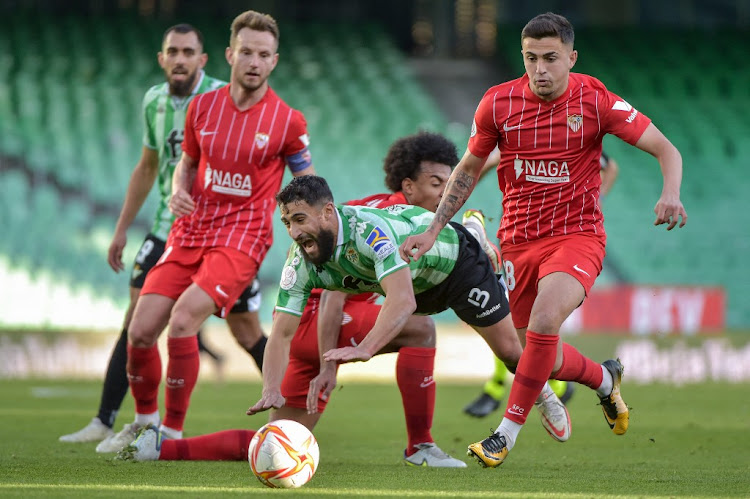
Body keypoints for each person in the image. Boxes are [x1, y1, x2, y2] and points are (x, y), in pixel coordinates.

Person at [118, 149, 569, 464]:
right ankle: (421, 447)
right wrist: (342, 358)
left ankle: (160, 448)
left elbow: (462, 201)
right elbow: (330, 296)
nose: (446, 194)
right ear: (410, 187)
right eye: (439, 185)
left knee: (281, 439)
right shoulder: (378, 222)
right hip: (325, 326)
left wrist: (296, 377)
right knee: (421, 331)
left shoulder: (380, 215)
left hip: (320, 333)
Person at [400, 12, 687, 468]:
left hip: (577, 236)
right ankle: (604, 380)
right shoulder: (497, 104)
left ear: (571, 58)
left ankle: (504, 435)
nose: (540, 69)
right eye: (531, 58)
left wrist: (670, 193)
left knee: (546, 320)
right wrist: (433, 226)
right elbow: (469, 169)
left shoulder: (595, 100)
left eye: (551, 58)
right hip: (517, 242)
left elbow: (665, 148)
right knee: (533, 356)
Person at [112, 10, 315, 453]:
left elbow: (307, 183)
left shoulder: (288, 122)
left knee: (183, 320)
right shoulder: (201, 107)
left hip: (242, 238)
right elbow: (186, 164)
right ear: (229, 55)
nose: (254, 62)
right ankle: (144, 424)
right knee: (141, 330)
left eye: (263, 54)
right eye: (246, 52)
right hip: (190, 231)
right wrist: (177, 193)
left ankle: (170, 433)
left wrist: (310, 231)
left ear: (274, 61)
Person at [59, 23, 267, 450]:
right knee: (138, 321)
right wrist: (120, 229)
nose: (179, 59)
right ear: (162, 58)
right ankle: (117, 421)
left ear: (204, 59)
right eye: (172, 51)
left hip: (223, 235)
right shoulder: (154, 101)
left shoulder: (222, 99)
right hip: (165, 230)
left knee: (246, 330)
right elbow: (147, 167)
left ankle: (296, 405)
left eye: (188, 52)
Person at [463, 150, 618, 418]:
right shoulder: (521, 133)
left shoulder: (572, 136)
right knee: (511, 317)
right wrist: (463, 185)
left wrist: (598, 198)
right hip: (519, 236)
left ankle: (504, 391)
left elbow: (609, 165)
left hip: (560, 243)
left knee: (535, 320)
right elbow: (483, 162)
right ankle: (550, 386)